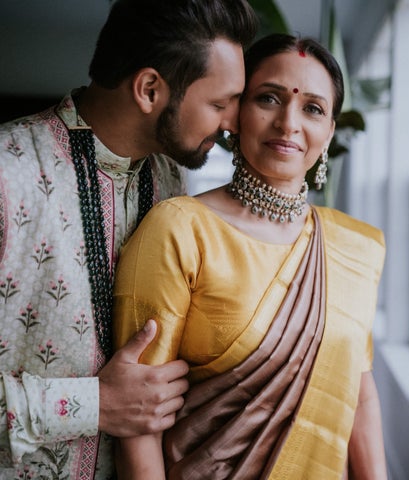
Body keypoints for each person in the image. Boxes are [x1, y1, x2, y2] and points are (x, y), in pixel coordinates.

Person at [112, 33, 389, 479]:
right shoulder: (180, 228)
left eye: (313, 108)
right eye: (268, 99)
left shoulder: (354, 248)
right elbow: (140, 417)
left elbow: (359, 391)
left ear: (330, 131)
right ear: (237, 114)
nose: (288, 123)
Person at [0, 0, 257, 478]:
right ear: (149, 89)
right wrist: (92, 404)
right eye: (220, 103)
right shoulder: (6, 172)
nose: (232, 123)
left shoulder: (169, 184)